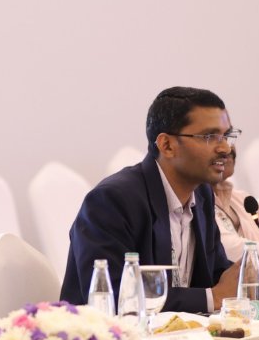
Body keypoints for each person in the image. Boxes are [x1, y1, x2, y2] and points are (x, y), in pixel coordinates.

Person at [61, 87, 242, 314]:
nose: (225, 148)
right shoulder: (112, 201)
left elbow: (216, 275)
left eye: (227, 136)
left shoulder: (202, 195)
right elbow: (115, 296)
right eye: (209, 137)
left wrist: (245, 278)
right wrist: (213, 297)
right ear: (167, 145)